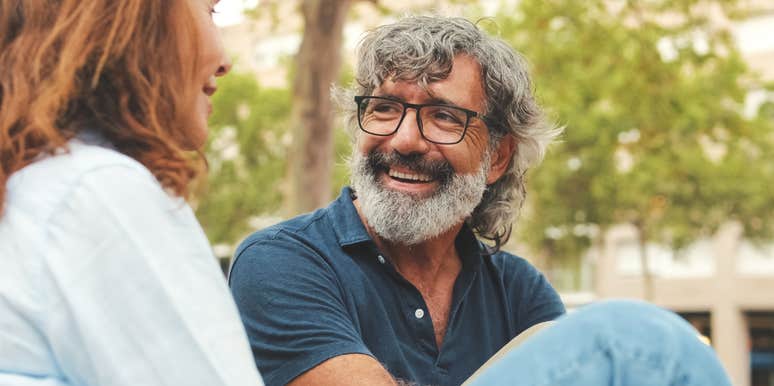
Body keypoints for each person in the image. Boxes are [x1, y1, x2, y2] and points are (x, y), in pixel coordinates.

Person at [229, 15, 731, 386]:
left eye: (444, 116)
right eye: (383, 109)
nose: (404, 139)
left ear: (497, 158)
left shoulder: (519, 292)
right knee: (634, 340)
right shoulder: (282, 262)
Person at [0, 1, 263, 385]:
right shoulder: (93, 189)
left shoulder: (26, 187)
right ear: (136, 21)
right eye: (210, 12)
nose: (225, 61)